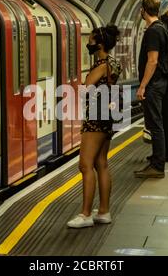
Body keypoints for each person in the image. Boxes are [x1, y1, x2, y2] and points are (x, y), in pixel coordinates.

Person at [67, 25, 122, 229]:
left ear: (99, 44)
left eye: (90, 41)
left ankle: (86, 214)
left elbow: (85, 89)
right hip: (108, 116)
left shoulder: (101, 65)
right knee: (101, 163)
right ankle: (104, 211)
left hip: (96, 118)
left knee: (85, 165)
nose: (88, 44)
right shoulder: (114, 63)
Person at [134, 0, 168, 178]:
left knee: (155, 124)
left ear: (143, 10)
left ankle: (158, 166)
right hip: (161, 82)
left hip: (154, 84)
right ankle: (156, 159)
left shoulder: (153, 31)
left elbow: (152, 61)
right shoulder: (162, 28)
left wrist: (142, 86)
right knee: (157, 122)